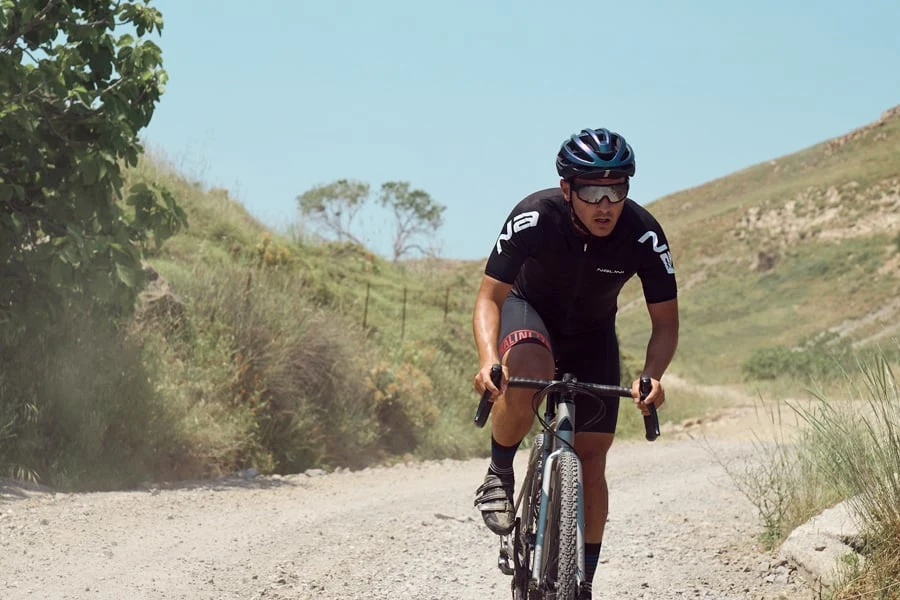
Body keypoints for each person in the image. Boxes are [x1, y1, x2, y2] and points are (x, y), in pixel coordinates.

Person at [471, 127, 679, 595]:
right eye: (592, 190)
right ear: (567, 189)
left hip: (592, 335)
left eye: (617, 190)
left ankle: (580, 581)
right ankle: (500, 471)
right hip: (529, 313)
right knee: (528, 369)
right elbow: (489, 298)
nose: (606, 204)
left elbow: (665, 323)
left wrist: (652, 377)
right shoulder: (535, 217)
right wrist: (489, 361)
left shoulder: (643, 234)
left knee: (592, 459)